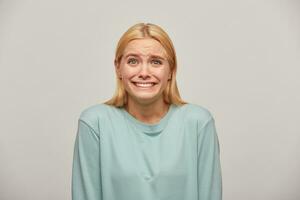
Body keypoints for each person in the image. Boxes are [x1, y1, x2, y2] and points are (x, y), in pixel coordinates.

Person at [71, 22, 222, 200]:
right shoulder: (94, 123)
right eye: (133, 61)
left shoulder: (198, 123)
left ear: (171, 71)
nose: (144, 72)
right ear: (118, 68)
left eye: (155, 62)